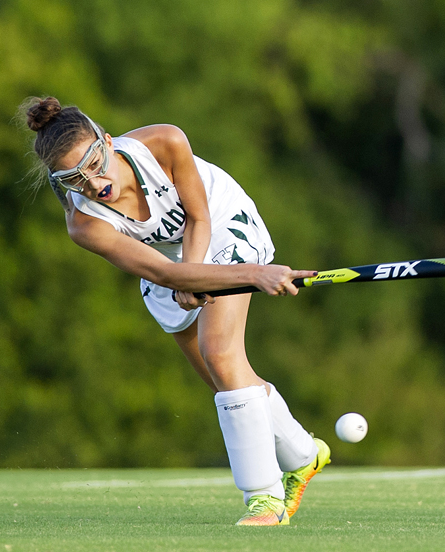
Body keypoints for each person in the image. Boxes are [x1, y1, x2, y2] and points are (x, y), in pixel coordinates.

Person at [19, 96, 330, 526]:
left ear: (107, 142)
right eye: (73, 178)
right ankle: (304, 454)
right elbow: (164, 271)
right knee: (218, 375)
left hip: (221, 223)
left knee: (220, 354)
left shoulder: (164, 143)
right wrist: (186, 277)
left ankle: (265, 498)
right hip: (167, 262)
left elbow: (199, 219)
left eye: (94, 163)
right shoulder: (85, 225)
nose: (92, 183)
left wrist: (242, 271)